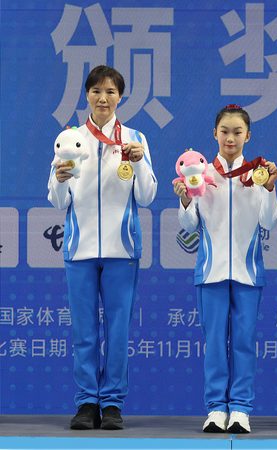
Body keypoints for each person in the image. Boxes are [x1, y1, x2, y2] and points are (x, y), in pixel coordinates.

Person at [47, 65, 157, 430]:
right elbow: (55, 198)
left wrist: (139, 164)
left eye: (110, 91)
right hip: (79, 249)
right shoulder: (70, 138)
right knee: (83, 330)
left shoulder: (135, 139)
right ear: (87, 95)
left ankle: (112, 403)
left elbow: (147, 195)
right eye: (96, 91)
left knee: (118, 329)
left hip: (121, 248)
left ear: (120, 97)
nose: (103, 98)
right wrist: (61, 180)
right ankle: (85, 404)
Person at [174, 105, 277, 433]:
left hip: (248, 274)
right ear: (215, 134)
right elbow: (189, 226)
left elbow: (269, 221)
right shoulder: (200, 172)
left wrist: (268, 188)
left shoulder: (257, 173)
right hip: (211, 272)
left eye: (237, 132)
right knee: (215, 343)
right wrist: (185, 200)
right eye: (224, 131)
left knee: (245, 342)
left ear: (248, 136)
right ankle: (216, 408)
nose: (230, 137)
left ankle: (242, 408)